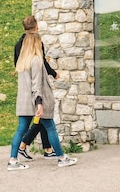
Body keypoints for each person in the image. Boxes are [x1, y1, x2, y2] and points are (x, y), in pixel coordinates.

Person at [8, 30, 77, 170]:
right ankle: (61, 158)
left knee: (21, 130)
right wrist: (39, 103)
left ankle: (13, 160)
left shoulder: (22, 62)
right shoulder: (36, 60)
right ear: (36, 44)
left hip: (24, 100)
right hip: (37, 100)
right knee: (50, 128)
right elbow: (36, 84)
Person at [13, 16, 57, 159]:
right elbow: (41, 63)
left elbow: (17, 65)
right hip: (36, 85)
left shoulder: (18, 44)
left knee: (38, 119)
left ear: (23, 27)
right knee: (43, 117)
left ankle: (46, 148)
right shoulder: (37, 42)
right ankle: (25, 145)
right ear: (36, 26)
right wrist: (53, 73)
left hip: (25, 87)